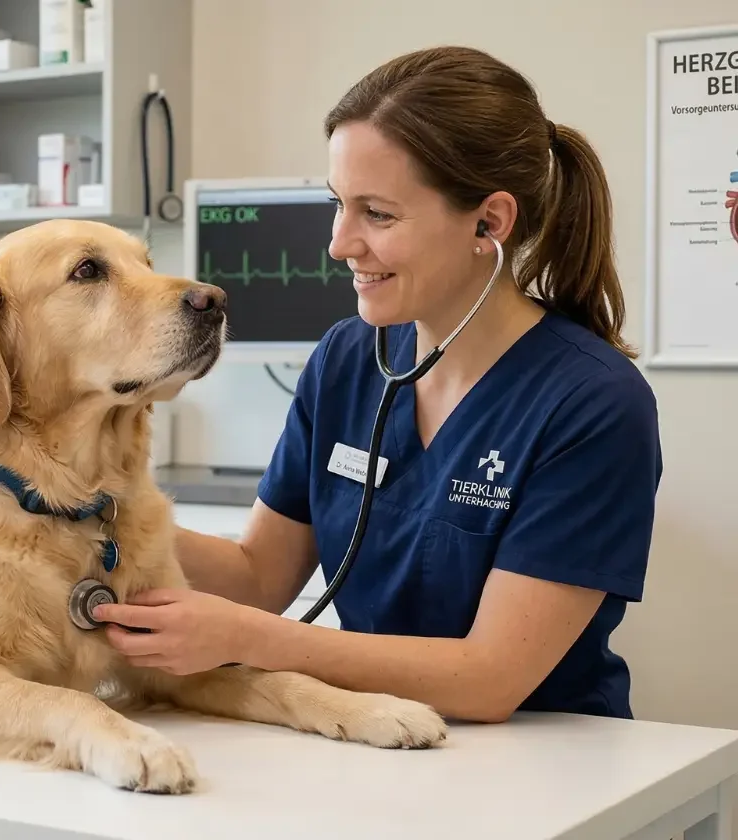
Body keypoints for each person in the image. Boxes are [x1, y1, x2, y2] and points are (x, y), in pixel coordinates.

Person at [92, 45, 663, 723]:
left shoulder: (592, 402)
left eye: (378, 214)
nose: (339, 243)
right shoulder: (346, 359)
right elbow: (258, 578)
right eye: (339, 205)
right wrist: (90, 518)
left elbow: (490, 679)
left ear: (491, 222)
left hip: (550, 765)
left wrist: (249, 639)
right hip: (380, 737)